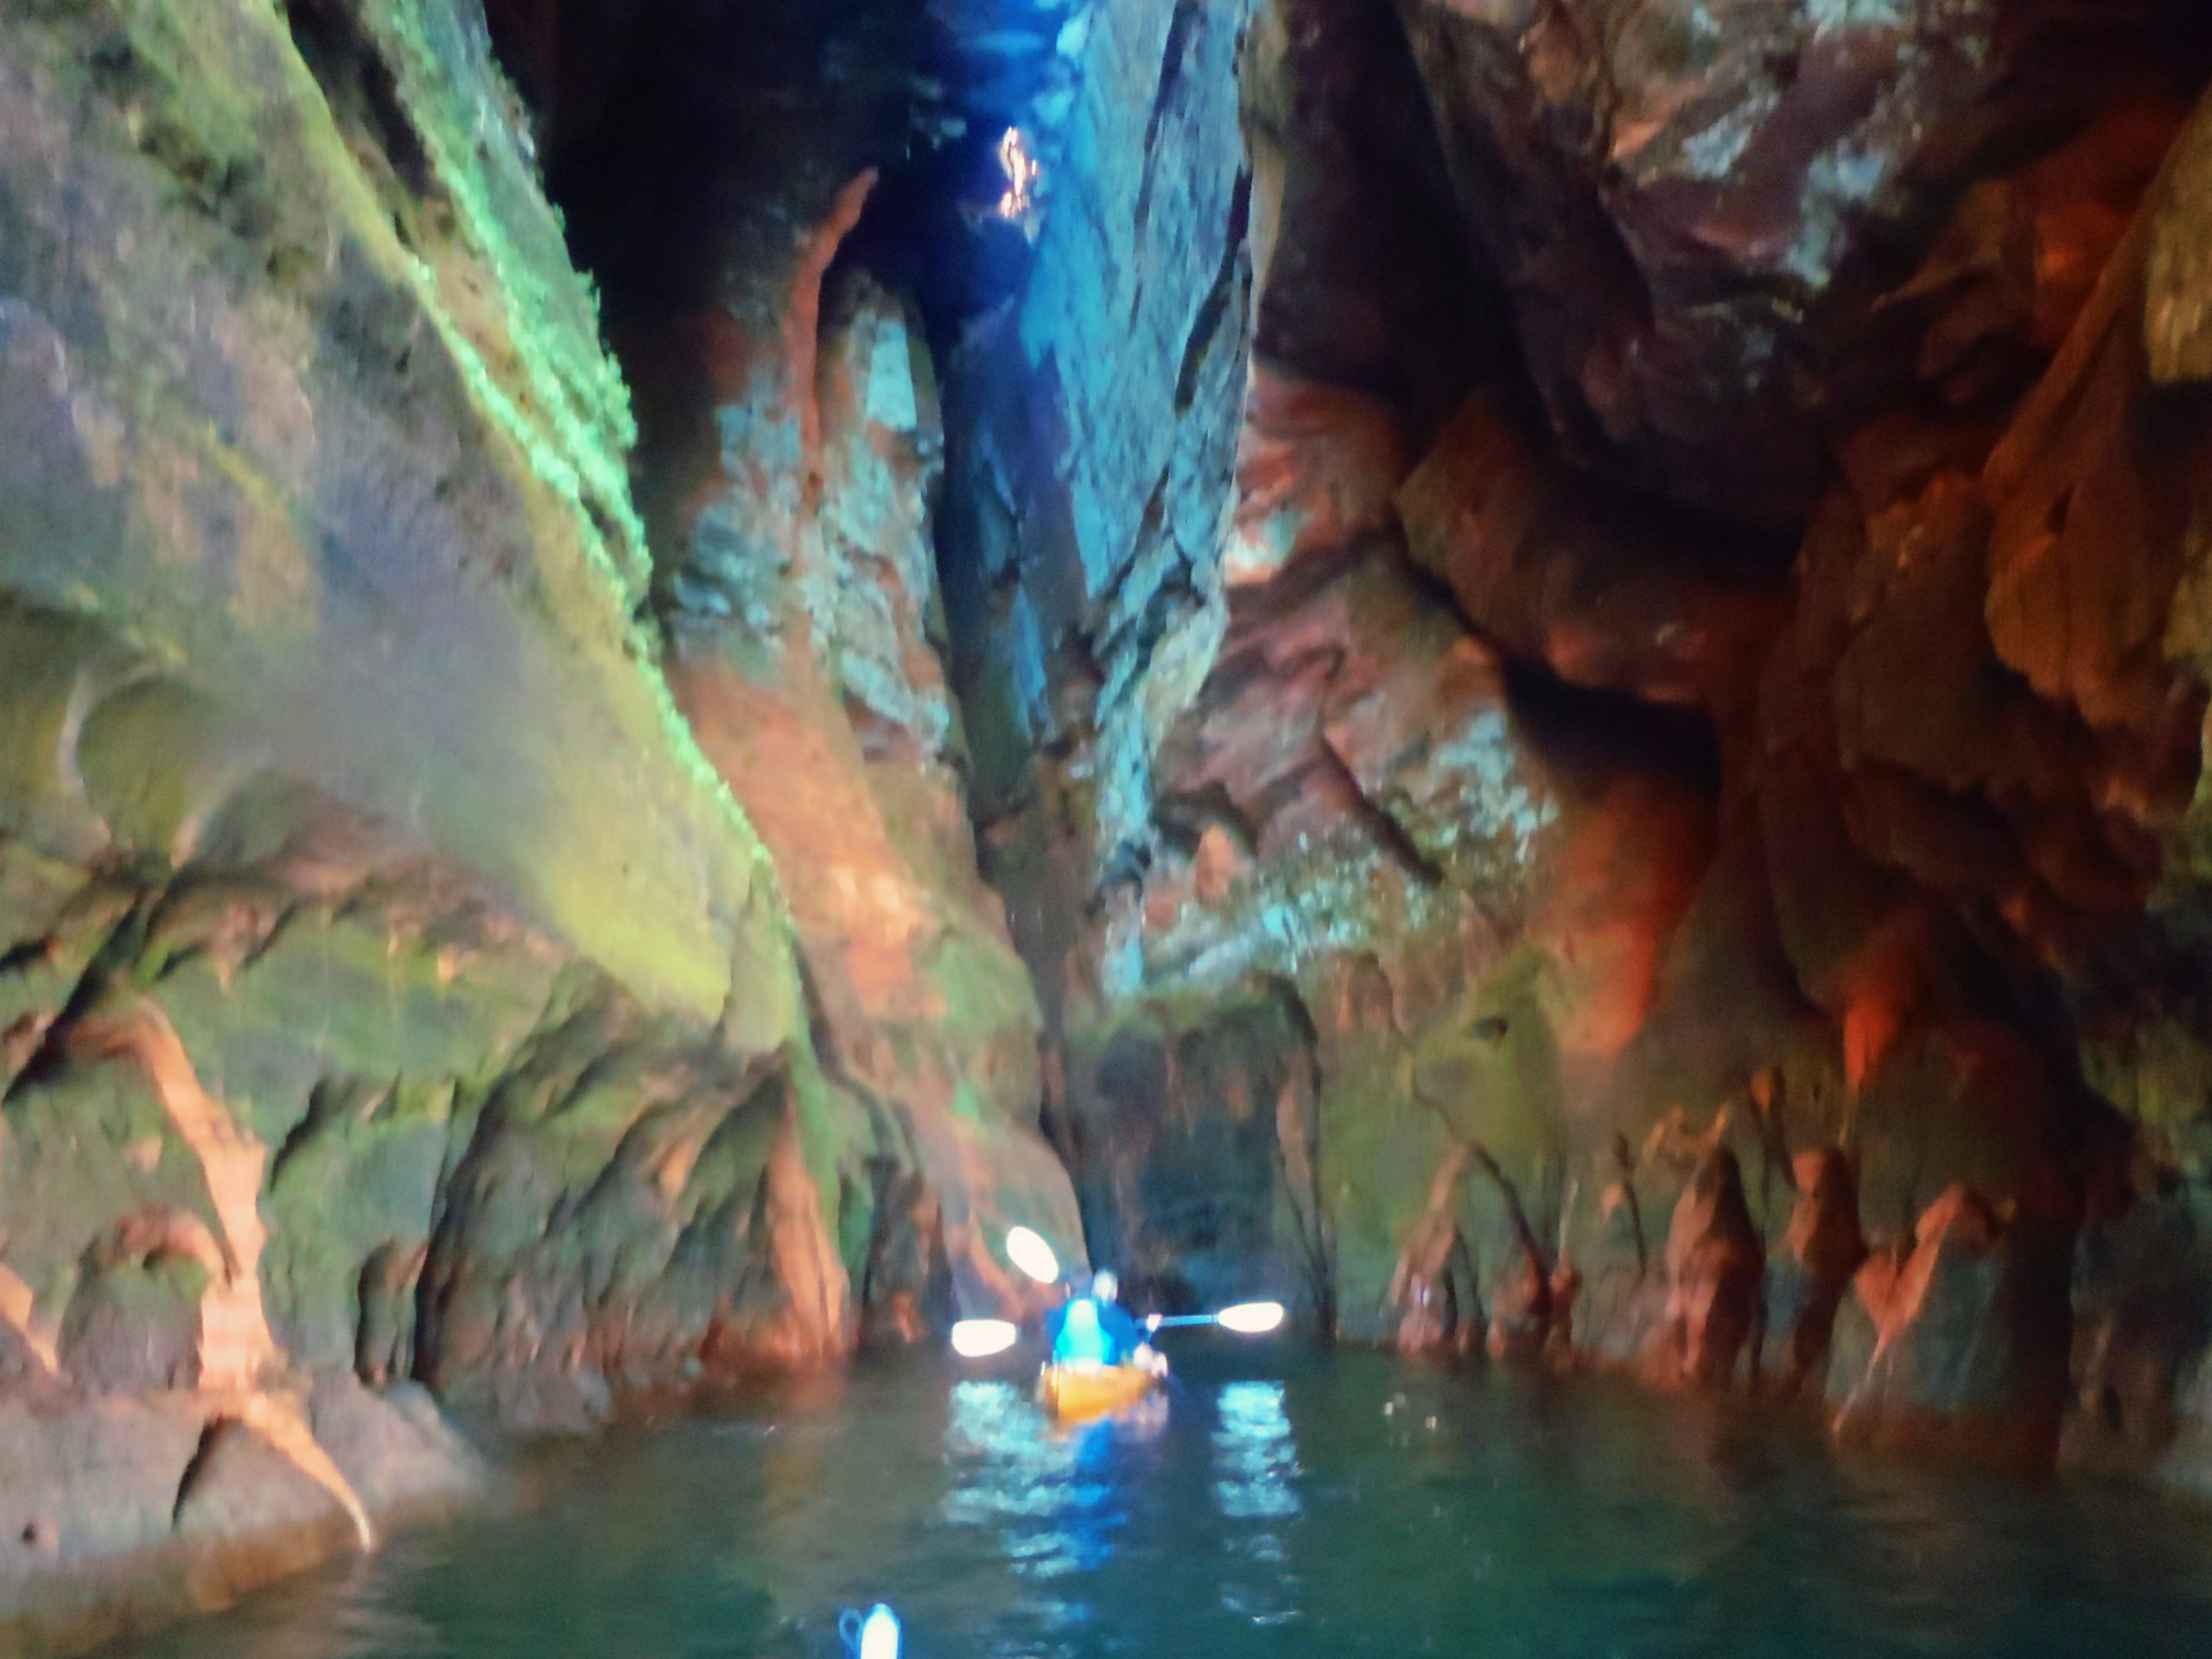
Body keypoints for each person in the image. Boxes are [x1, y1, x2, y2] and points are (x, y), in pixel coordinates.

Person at [1047, 1270, 1166, 1376]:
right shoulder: (1116, 1315)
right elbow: (1140, 1357)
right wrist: (1156, 1359)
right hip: (1100, 1386)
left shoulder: (1055, 1315)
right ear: (1114, 1291)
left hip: (1065, 1384)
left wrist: (1147, 1330)